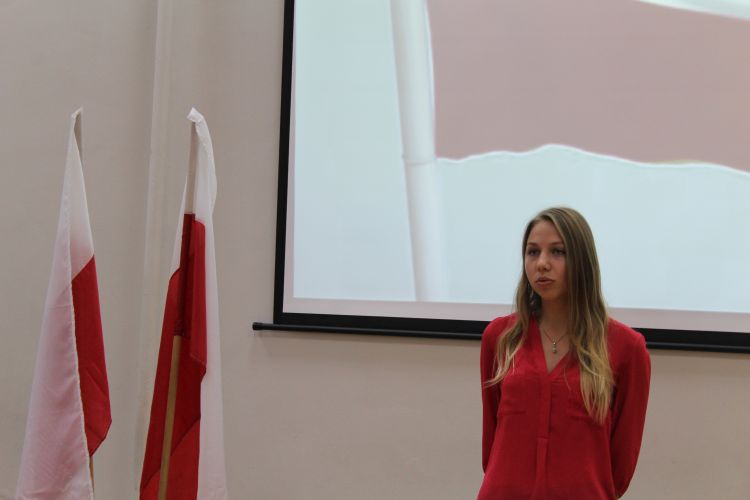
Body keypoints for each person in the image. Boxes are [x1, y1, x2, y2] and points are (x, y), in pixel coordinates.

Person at [478, 207, 651, 500]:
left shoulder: (626, 348)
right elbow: (492, 444)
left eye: (557, 252)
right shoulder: (500, 337)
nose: (542, 264)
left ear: (582, 260)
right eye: (533, 252)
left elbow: (621, 464)